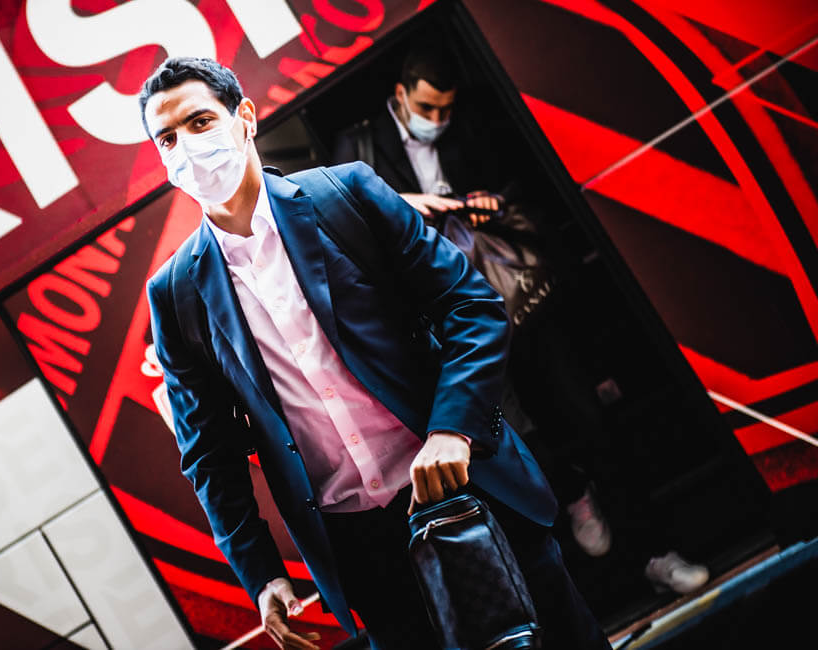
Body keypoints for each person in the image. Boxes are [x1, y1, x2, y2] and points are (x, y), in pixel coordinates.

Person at [141, 56, 611, 649]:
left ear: (247, 118)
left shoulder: (345, 194)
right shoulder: (175, 292)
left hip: (464, 485)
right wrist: (261, 575)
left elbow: (473, 306)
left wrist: (452, 430)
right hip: (363, 551)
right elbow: (210, 455)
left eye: (200, 122)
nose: (187, 146)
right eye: (167, 138)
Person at [330, 44, 710, 596]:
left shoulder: (470, 126)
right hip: (447, 331)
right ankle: (574, 515)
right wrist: (409, 205)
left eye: (445, 109)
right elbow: (350, 227)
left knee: (588, 420)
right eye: (427, 108)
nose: (437, 119)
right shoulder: (358, 148)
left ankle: (655, 551)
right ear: (400, 96)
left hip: (517, 302)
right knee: (507, 443)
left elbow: (521, 182)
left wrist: (491, 202)